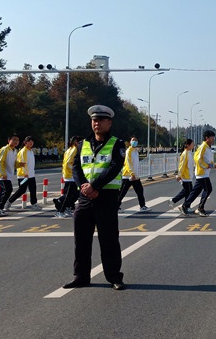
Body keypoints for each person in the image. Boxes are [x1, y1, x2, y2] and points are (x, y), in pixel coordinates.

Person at [62, 105, 126, 291]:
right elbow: (76, 168)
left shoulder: (116, 144)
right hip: (85, 198)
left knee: (109, 239)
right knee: (81, 240)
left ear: (109, 122)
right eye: (93, 120)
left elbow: (115, 167)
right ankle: (81, 277)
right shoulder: (83, 145)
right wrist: (84, 186)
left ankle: (114, 276)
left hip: (106, 197)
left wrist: (95, 186)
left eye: (100, 120)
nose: (96, 123)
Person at [180, 130, 216, 217]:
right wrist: (207, 166)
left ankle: (185, 206)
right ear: (207, 138)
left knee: (195, 192)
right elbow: (197, 159)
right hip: (202, 173)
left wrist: (214, 165)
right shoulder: (203, 147)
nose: (213, 139)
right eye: (212, 137)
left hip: (204, 173)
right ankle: (200, 208)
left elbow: (208, 160)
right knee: (208, 189)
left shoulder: (208, 147)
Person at [118, 136, 150, 214]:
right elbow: (128, 163)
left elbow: (136, 164)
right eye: (133, 140)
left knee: (140, 191)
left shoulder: (135, 151)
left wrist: (136, 174)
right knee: (122, 192)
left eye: (136, 140)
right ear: (130, 142)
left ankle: (142, 206)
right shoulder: (129, 151)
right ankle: (115, 206)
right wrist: (132, 173)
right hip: (128, 176)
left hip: (135, 176)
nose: (134, 142)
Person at [54, 136, 82, 218]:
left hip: (70, 175)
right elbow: (68, 163)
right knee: (68, 195)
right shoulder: (74, 150)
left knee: (75, 194)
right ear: (75, 142)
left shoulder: (69, 150)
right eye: (79, 142)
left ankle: (67, 207)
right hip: (70, 176)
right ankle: (60, 210)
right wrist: (75, 170)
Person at [8, 136, 38, 210]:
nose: (31, 143)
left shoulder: (31, 151)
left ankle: (34, 204)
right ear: (25, 142)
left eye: (32, 141)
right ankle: (9, 202)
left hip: (31, 175)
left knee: (33, 189)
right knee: (21, 190)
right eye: (29, 141)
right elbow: (22, 164)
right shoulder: (23, 151)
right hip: (23, 176)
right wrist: (25, 173)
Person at [0, 133, 20, 216]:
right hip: (2, 175)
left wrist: (19, 164)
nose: (16, 141)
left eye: (17, 140)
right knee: (8, 189)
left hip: (8, 174)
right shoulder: (4, 149)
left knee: (2, 191)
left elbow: (13, 163)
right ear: (9, 140)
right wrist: (2, 173)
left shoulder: (15, 150)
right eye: (14, 139)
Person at [169, 139, 195, 211]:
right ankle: (185, 206)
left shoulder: (189, 153)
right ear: (188, 145)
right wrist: (179, 175)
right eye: (192, 144)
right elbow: (182, 166)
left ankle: (175, 201)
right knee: (189, 191)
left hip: (189, 176)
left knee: (187, 191)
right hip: (185, 176)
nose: (193, 145)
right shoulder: (185, 154)